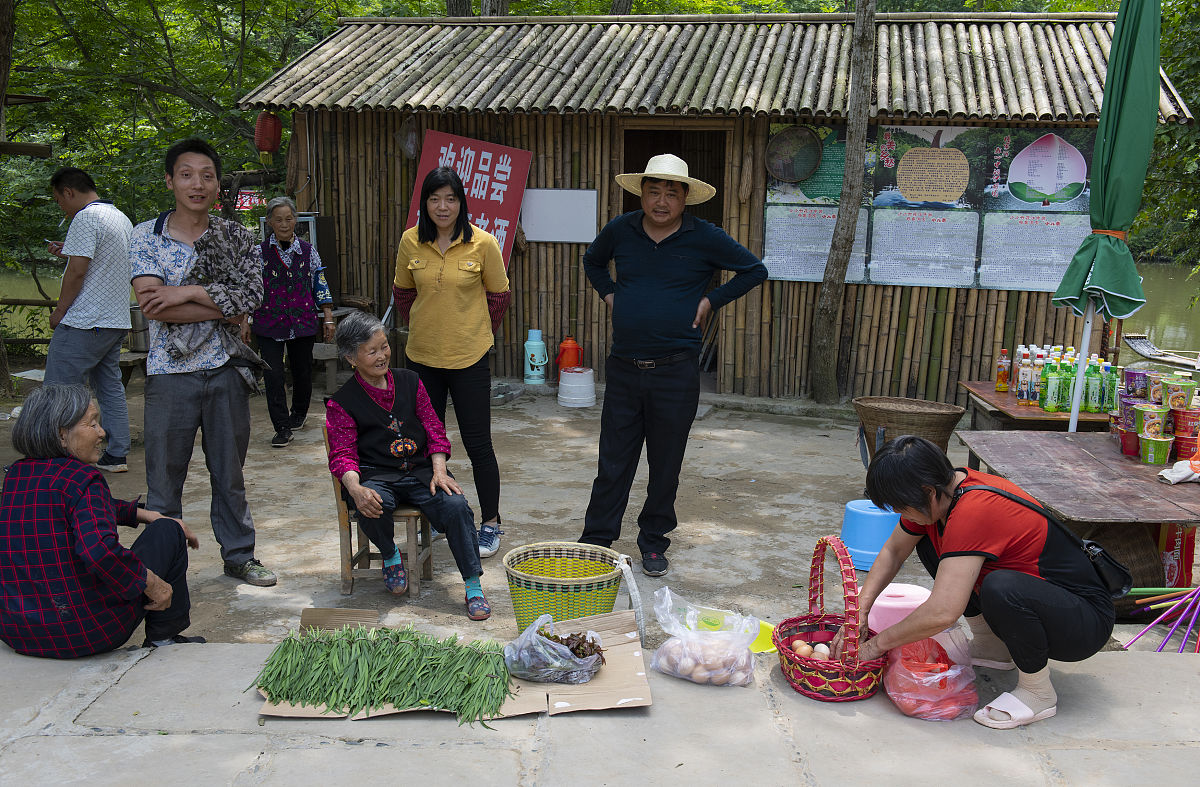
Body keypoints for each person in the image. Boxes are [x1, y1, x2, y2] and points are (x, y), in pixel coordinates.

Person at [832, 435, 1116, 729]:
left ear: (927, 492)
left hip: (1083, 622)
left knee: (1001, 587)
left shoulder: (975, 508)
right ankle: (992, 646)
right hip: (1046, 603)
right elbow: (893, 551)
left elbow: (943, 611)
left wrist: (877, 645)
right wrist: (860, 610)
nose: (901, 515)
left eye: (902, 507)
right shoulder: (941, 493)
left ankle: (1037, 691)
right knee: (930, 543)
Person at [577, 154, 768, 577]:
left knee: (666, 464)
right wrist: (610, 294)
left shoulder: (705, 237)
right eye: (654, 191)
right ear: (640, 193)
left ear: (685, 199)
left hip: (676, 371)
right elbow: (593, 261)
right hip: (625, 368)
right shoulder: (620, 230)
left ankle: (653, 541)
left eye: (671, 193)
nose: (661, 201)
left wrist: (709, 300)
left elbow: (754, 270)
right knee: (613, 461)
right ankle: (597, 540)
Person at [129, 137, 275, 588]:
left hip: (226, 369)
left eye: (207, 176)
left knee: (229, 473)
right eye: (187, 174)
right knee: (164, 479)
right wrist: (222, 305)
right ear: (170, 181)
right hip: (170, 375)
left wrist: (187, 291)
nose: (197, 184)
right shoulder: (144, 235)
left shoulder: (235, 237)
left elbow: (252, 298)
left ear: (218, 186)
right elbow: (154, 306)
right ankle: (162, 563)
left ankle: (239, 555)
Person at [0, 384, 203, 657]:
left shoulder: (16, 476)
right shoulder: (83, 478)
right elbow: (99, 551)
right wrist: (151, 583)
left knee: (161, 522)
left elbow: (76, 507)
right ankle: (163, 638)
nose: (102, 433)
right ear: (62, 435)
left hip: (20, 633)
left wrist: (143, 513)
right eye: (92, 424)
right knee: (168, 531)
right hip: (86, 633)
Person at [325, 311, 490, 620]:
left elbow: (434, 429)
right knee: (369, 503)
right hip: (377, 474)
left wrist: (439, 469)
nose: (381, 355)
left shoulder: (410, 381)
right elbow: (342, 454)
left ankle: (472, 585)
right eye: (371, 351)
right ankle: (390, 554)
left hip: (422, 470)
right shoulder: (342, 402)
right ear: (351, 357)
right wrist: (354, 487)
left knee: (455, 505)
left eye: (384, 346)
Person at [393, 166, 511, 560]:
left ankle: (491, 523)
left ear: (462, 202)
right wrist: (429, 328)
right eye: (434, 199)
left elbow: (499, 298)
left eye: (450, 198)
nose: (442, 207)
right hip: (422, 359)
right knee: (427, 444)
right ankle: (446, 515)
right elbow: (403, 295)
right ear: (424, 204)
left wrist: (472, 331)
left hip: (469, 358)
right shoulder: (411, 242)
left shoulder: (483, 244)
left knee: (479, 445)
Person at [44, 167, 134, 474]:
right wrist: (66, 254)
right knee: (109, 386)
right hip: (115, 319)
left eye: (58, 200)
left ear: (69, 192)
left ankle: (54, 460)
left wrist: (60, 311)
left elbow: (78, 272)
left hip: (86, 321)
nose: (61, 207)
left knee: (57, 391)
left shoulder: (85, 217)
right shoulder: (120, 217)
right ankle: (117, 452)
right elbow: (101, 264)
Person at [243, 196, 335, 448]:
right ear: (270, 222)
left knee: (302, 372)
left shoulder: (307, 251)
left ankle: (298, 413)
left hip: (302, 321)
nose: (284, 224)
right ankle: (282, 427)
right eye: (278, 219)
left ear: (295, 220)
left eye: (289, 218)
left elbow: (319, 282)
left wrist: (327, 317)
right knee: (273, 375)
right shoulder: (258, 253)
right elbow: (250, 289)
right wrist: (245, 319)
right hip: (268, 323)